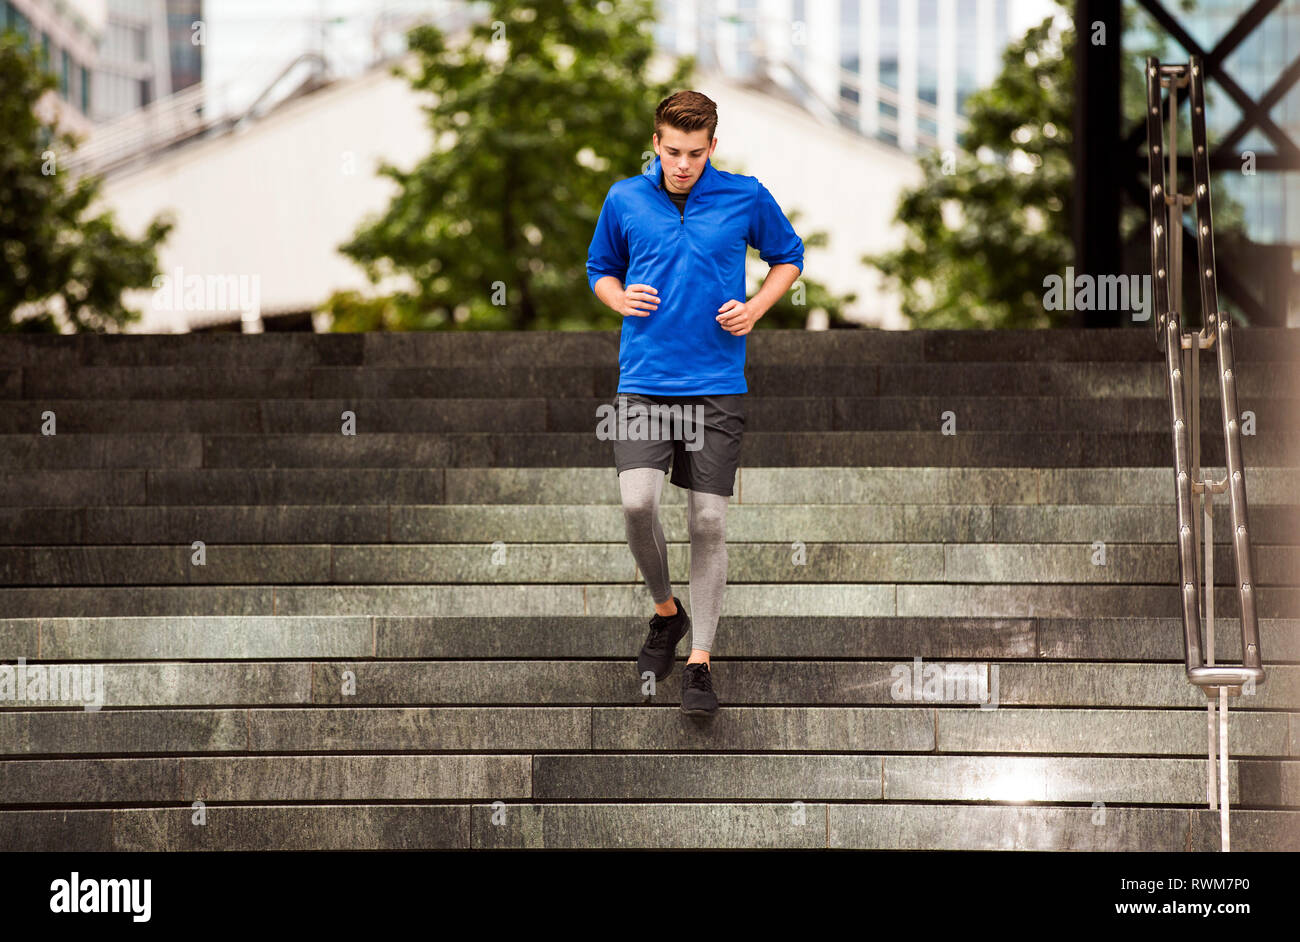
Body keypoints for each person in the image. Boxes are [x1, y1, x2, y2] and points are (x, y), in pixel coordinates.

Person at [585, 90, 804, 716]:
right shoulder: (624, 197)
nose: (683, 164)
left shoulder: (745, 195)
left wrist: (755, 308)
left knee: (708, 521)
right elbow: (600, 267)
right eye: (674, 151)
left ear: (713, 146)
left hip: (716, 383)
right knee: (637, 504)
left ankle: (700, 662)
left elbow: (789, 256)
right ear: (656, 143)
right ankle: (666, 613)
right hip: (645, 378)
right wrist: (618, 298)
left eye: (696, 152)